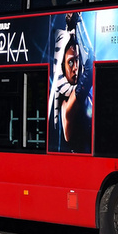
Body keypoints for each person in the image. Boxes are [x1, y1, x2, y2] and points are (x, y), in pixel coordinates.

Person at [48, 13, 93, 152]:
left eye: (77, 60)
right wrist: (78, 23)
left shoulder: (80, 97)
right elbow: (90, 67)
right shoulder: (67, 106)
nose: (75, 68)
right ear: (61, 66)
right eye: (70, 62)